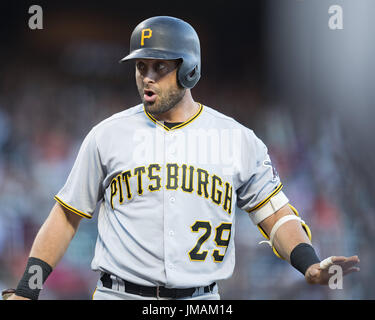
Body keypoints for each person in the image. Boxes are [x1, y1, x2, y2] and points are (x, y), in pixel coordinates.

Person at [5, 16, 359, 300]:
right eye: (140, 67)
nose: (147, 77)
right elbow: (66, 215)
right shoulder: (107, 134)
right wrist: (27, 291)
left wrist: (309, 263)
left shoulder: (237, 139)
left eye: (159, 67)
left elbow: (276, 216)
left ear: (190, 69)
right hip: (120, 294)